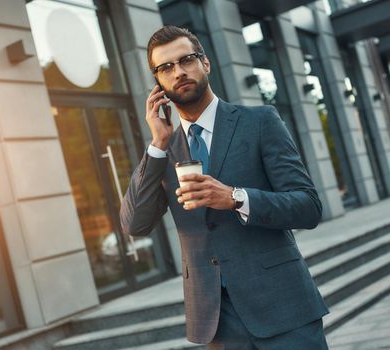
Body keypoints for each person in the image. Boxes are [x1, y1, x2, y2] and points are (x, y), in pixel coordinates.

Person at [120, 25, 329, 349]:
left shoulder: (260, 121)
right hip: (216, 322)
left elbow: (308, 206)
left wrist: (235, 198)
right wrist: (158, 143)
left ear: (205, 63)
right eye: (166, 67)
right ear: (158, 83)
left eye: (186, 60)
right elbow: (135, 223)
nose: (178, 72)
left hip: (283, 308)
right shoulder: (165, 150)